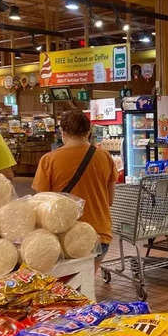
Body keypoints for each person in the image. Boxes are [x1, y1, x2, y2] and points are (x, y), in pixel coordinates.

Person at [33, 110, 117, 265]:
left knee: (65, 286)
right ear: (89, 131)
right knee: (86, 284)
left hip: (63, 237)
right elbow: (110, 200)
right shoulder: (105, 157)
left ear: (62, 132)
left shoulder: (49, 160)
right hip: (99, 233)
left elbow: (41, 205)